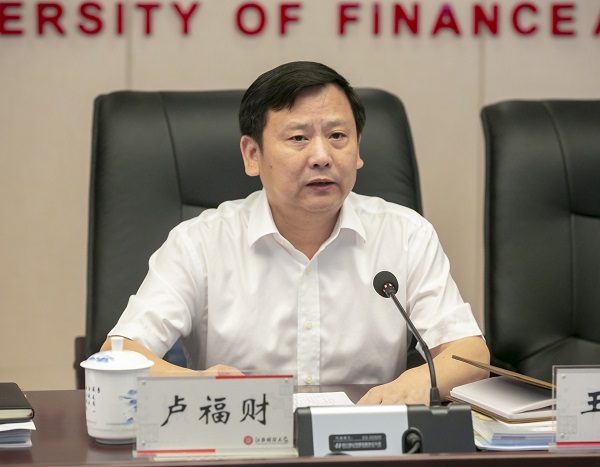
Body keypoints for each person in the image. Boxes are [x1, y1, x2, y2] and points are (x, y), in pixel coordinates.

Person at [103, 61, 489, 405]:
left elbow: (470, 355)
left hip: (366, 442)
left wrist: (414, 384)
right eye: (298, 138)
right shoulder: (199, 243)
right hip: (242, 443)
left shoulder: (406, 235)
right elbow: (118, 353)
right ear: (252, 155)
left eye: (337, 136)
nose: (321, 156)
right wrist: (200, 384)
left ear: (357, 150)